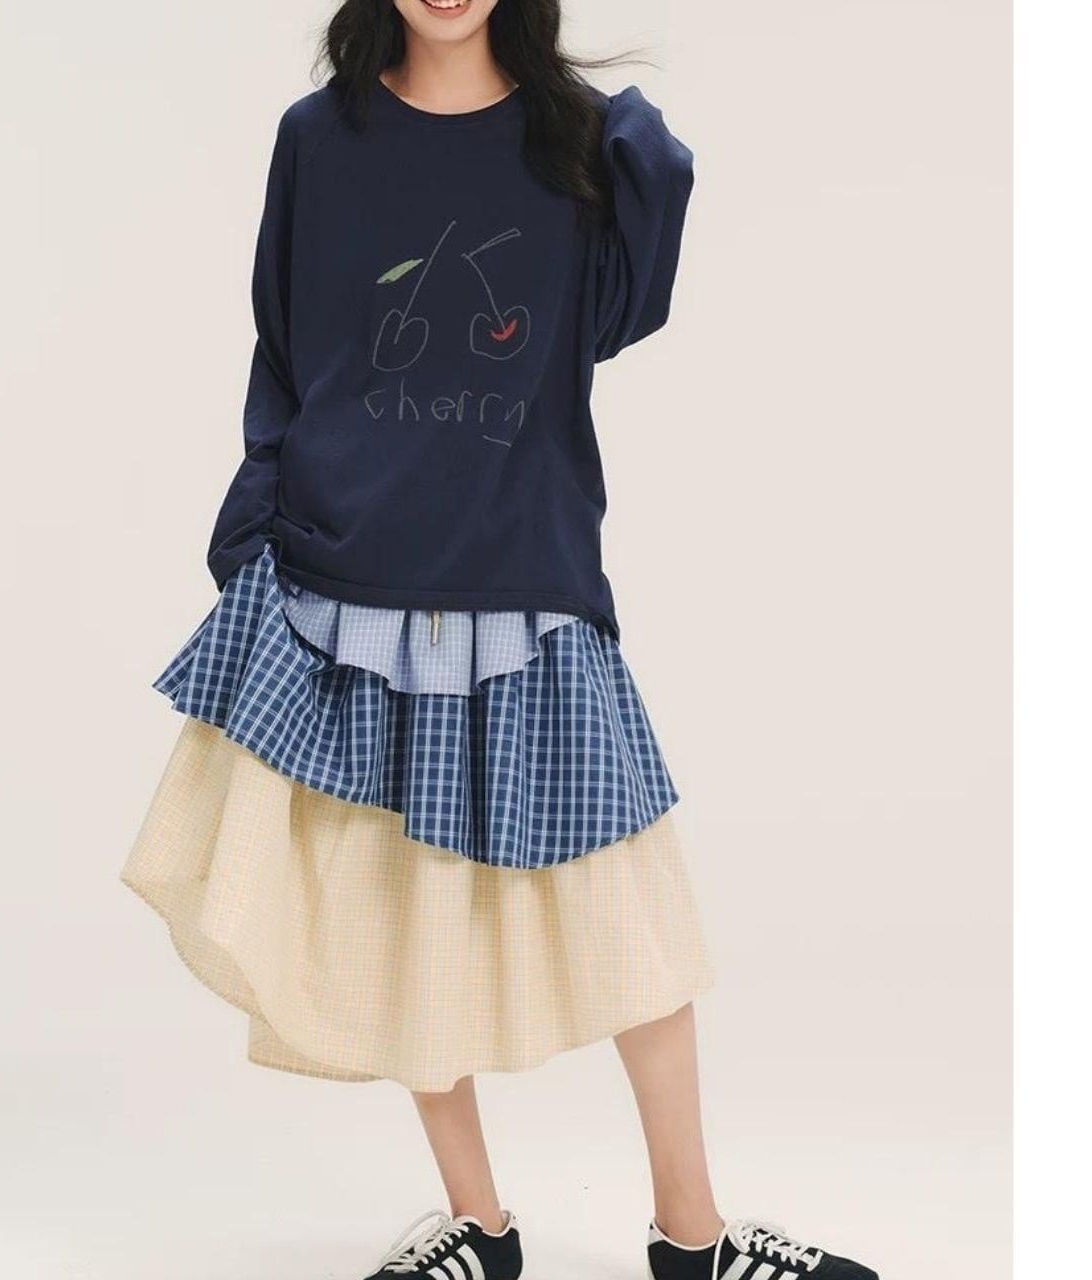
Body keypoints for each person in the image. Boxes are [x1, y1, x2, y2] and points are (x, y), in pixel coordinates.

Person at [123, 2, 879, 1278]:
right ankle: (479, 1224)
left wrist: (623, 133)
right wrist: (255, 529)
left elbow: (618, 313)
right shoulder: (318, 138)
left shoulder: (572, 143)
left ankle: (692, 1234)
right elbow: (285, 349)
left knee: (632, 917)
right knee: (399, 920)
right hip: (347, 576)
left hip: (523, 572)